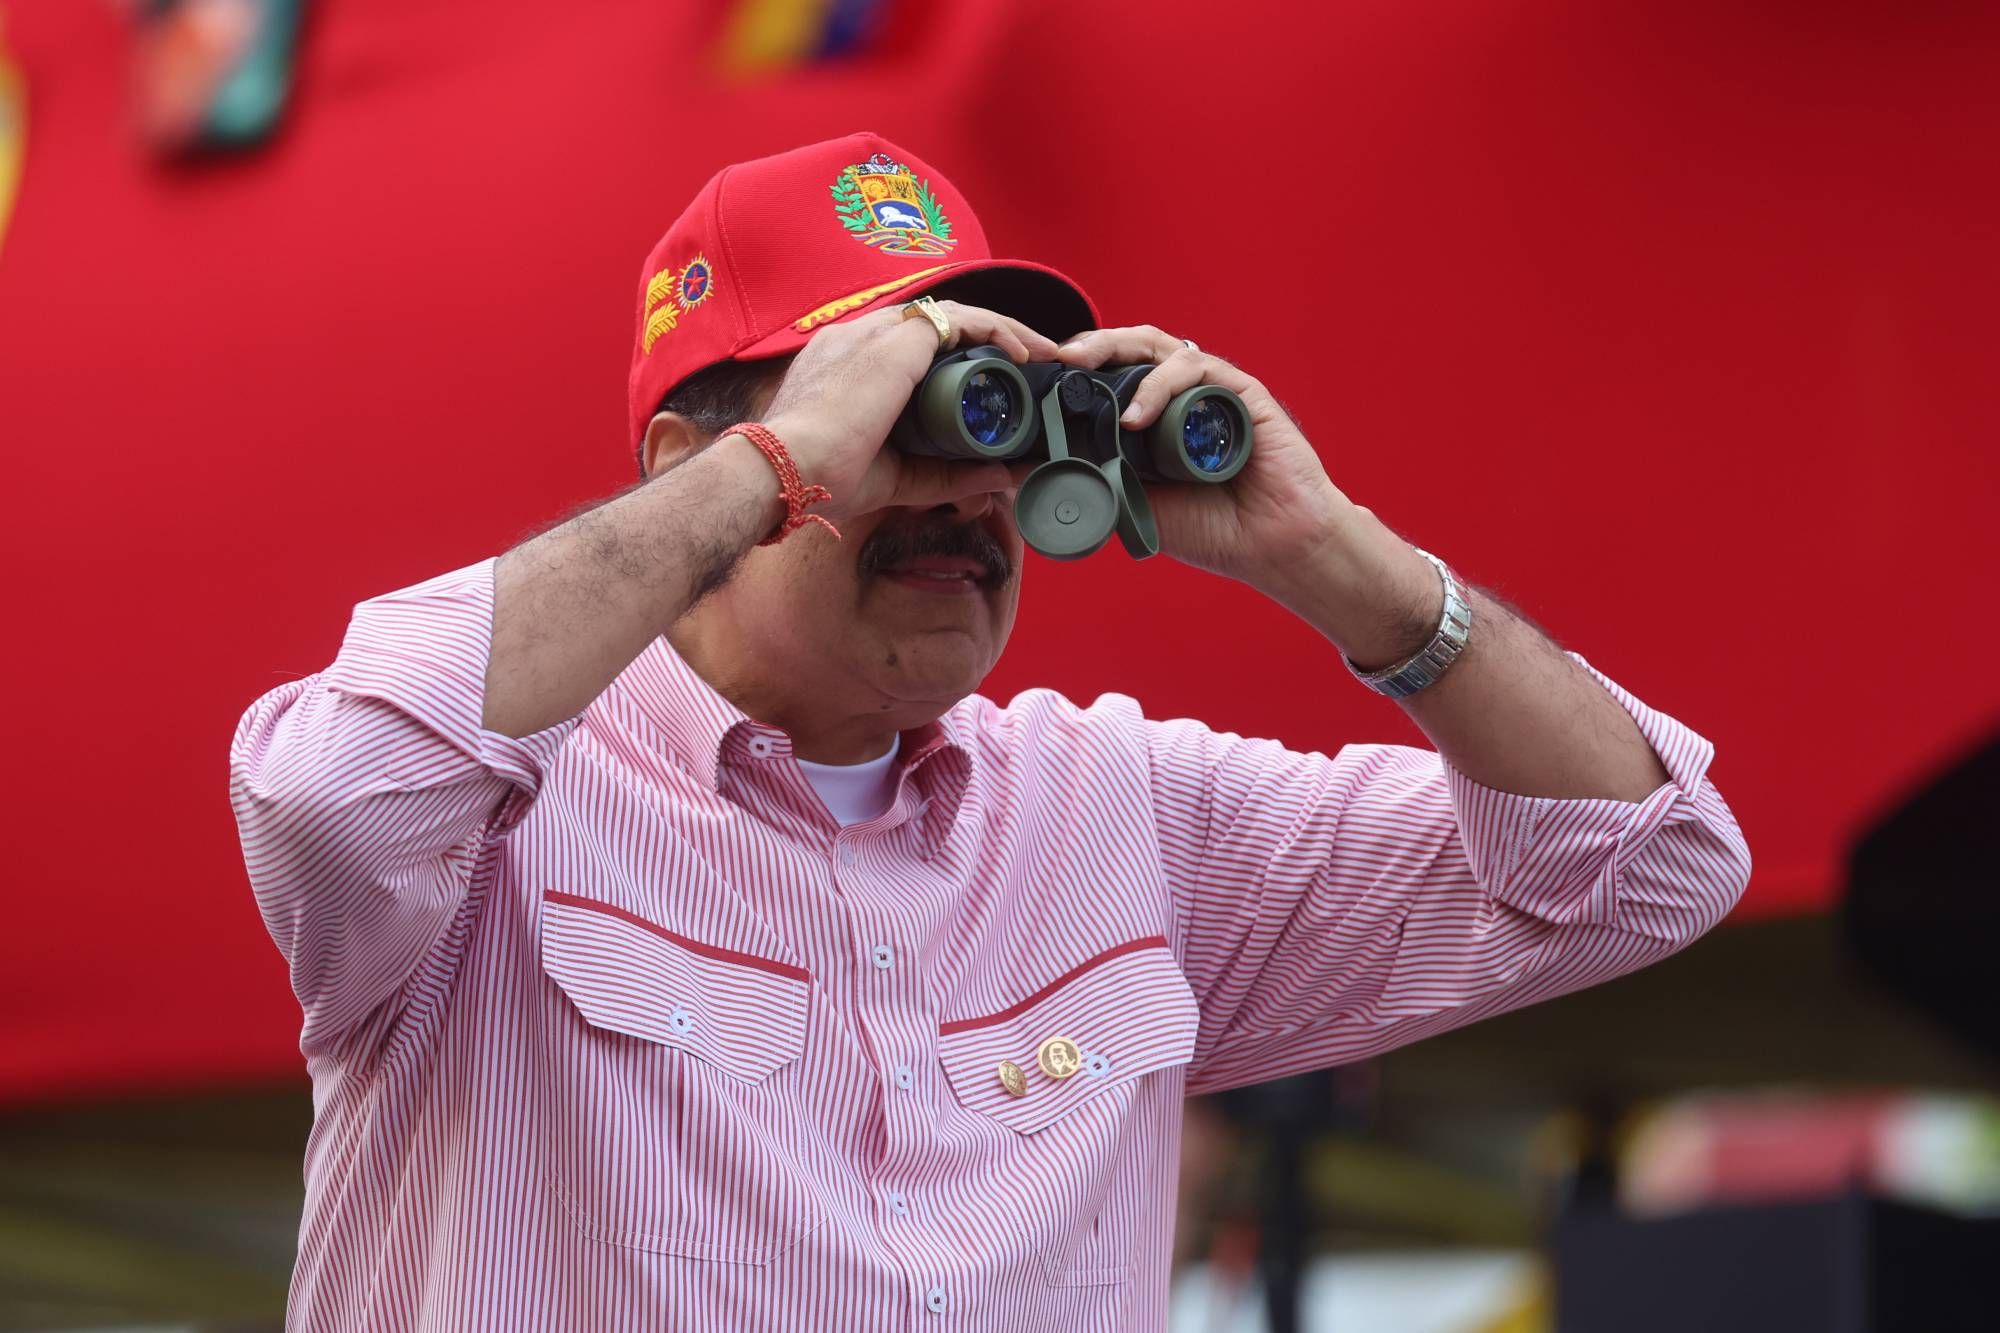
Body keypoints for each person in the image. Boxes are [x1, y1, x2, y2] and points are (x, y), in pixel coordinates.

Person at [230, 133, 1750, 1331]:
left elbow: (1649, 863)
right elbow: (326, 795)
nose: (969, 490)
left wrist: (1334, 557)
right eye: (904, 412)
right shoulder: (502, 811)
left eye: (998, 416)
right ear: (701, 459)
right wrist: (779, 467)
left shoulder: (1120, 814)